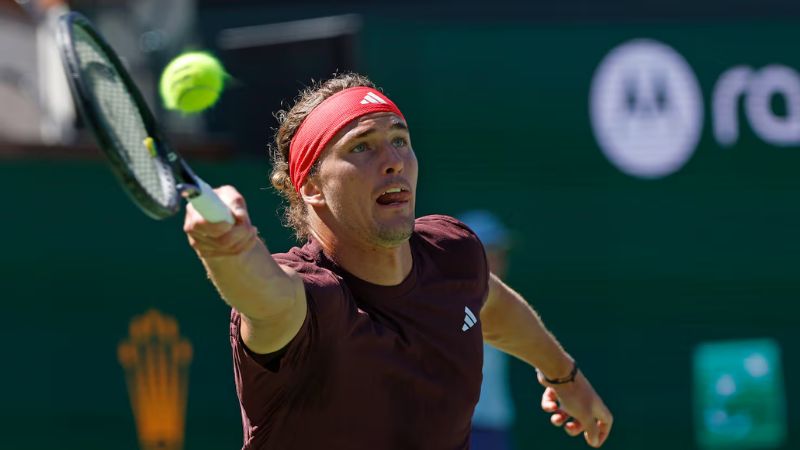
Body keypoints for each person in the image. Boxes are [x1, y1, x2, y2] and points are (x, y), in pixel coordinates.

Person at [183, 72, 613, 450]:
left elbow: (491, 305)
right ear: (312, 186)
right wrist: (227, 247)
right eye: (362, 148)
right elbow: (262, 292)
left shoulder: (453, 255)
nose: (393, 161)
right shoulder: (310, 299)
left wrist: (563, 375)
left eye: (399, 140)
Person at [459, 210, 515, 450]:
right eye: (489, 252)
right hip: (462, 429)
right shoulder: (447, 302)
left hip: (494, 428)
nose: (498, 259)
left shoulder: (501, 302)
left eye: (498, 252)